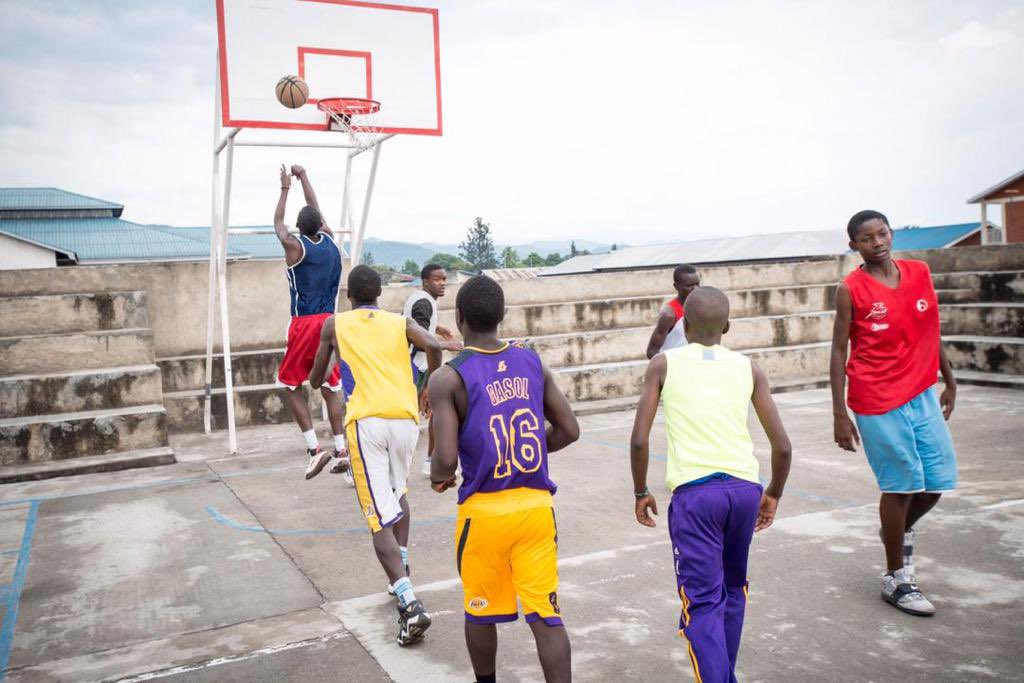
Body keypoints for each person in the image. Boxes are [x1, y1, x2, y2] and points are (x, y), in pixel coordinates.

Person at [630, 286, 792, 683]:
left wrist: (640, 490)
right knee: (733, 589)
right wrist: (772, 493)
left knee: (701, 602)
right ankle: (725, 674)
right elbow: (783, 447)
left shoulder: (663, 365)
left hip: (696, 495)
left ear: (683, 324)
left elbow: (639, 438)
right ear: (728, 326)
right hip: (743, 490)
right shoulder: (748, 367)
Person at [429, 275, 579, 683]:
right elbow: (569, 430)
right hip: (535, 508)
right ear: (502, 316)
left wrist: (438, 476)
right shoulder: (531, 360)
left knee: (479, 610)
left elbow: (444, 461)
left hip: (485, 513)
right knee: (546, 615)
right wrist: (519, 453)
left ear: (459, 318)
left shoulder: (449, 376)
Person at [830, 210, 957, 617]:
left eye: (882, 233)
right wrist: (839, 412)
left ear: (892, 234)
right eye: (867, 238)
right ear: (855, 246)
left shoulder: (919, 272)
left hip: (921, 391)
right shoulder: (850, 289)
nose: (878, 241)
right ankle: (896, 578)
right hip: (876, 397)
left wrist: (949, 380)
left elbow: (929, 329)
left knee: (935, 482)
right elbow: (838, 351)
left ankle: (894, 532)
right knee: (901, 485)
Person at [310, 265, 442, 645]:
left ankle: (409, 601)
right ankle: (402, 560)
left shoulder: (335, 325)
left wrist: (331, 361)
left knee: (376, 516)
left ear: (349, 296)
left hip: (366, 422)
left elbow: (317, 378)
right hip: (404, 419)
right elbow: (432, 345)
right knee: (398, 492)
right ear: (379, 295)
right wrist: (429, 389)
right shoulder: (397, 322)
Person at [272, 164, 348, 480]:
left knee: (289, 386)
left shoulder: (294, 246)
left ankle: (314, 451)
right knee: (332, 387)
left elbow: (278, 223)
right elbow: (316, 211)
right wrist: (305, 178)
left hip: (306, 322)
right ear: (320, 225)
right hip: (332, 321)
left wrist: (285, 187)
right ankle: (342, 450)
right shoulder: (330, 241)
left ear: (299, 229)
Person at [402, 263, 462, 476]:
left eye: (444, 279)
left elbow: (417, 325)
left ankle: (430, 459)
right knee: (421, 414)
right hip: (415, 366)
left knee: (433, 410)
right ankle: (427, 461)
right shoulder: (424, 303)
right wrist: (446, 345)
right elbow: (420, 342)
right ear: (425, 281)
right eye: (437, 280)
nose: (443, 283)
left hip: (419, 364)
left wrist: (437, 328)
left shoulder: (421, 299)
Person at [646, 264, 701, 359]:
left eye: (697, 284)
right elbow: (652, 352)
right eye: (689, 285)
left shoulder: (702, 307)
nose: (695, 289)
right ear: (676, 287)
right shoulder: (669, 314)